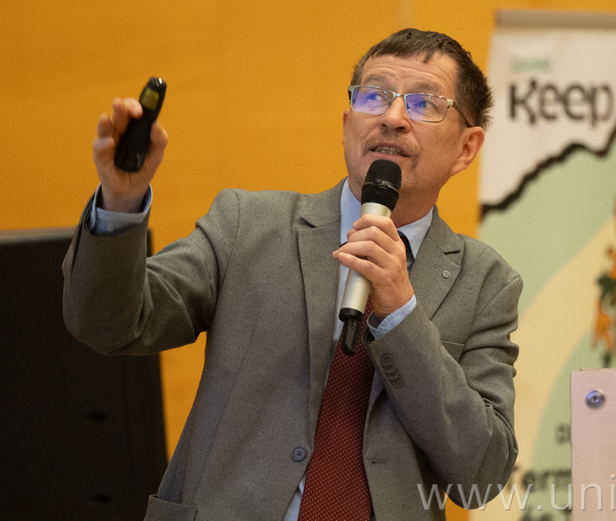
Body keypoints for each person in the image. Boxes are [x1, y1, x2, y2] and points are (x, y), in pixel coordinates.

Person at [63, 28, 522, 521]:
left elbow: (481, 476)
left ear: (466, 148)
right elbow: (109, 324)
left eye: (424, 103)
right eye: (374, 96)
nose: (392, 118)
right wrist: (121, 201)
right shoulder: (247, 225)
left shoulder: (486, 284)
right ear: (347, 124)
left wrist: (401, 315)